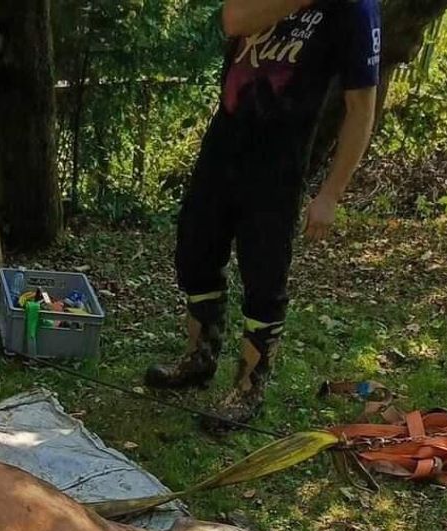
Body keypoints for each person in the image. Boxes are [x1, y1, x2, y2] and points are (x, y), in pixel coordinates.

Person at [145, 0, 381, 429]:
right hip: (224, 145)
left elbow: (362, 108)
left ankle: (248, 389)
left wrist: (330, 193)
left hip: (279, 163)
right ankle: (199, 356)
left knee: (264, 276)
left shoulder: (355, 9)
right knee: (195, 251)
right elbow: (233, 19)